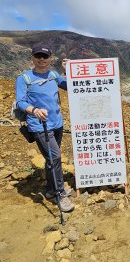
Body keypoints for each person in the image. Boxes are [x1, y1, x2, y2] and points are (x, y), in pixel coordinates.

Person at [15, 43, 74, 213]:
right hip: (39, 126)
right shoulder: (24, 78)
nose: (41, 60)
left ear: (50, 59)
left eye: (45, 57)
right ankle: (60, 194)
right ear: (32, 58)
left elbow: (69, 86)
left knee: (51, 159)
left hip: (57, 124)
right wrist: (34, 110)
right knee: (55, 157)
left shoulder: (54, 75)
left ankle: (49, 189)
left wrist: (68, 70)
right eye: (38, 56)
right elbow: (20, 102)